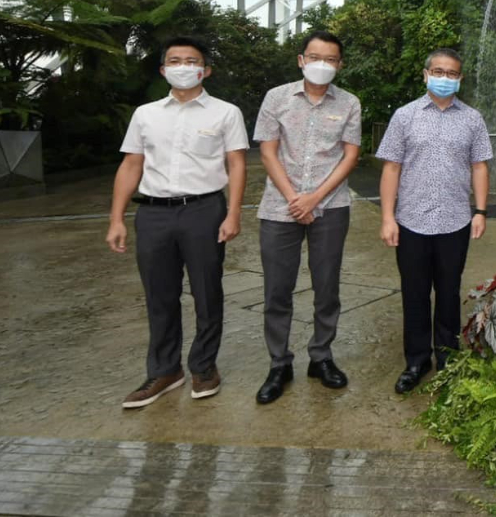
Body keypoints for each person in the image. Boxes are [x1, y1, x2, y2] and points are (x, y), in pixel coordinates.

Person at [106, 36, 248, 409]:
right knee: (159, 294)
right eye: (175, 60)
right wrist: (116, 218)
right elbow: (131, 164)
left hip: (203, 210)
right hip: (153, 213)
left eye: (192, 61)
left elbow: (236, 164)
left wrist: (233, 213)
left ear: (206, 70)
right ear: (163, 69)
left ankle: (203, 367)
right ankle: (165, 370)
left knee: (206, 290)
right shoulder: (146, 114)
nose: (183, 67)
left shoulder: (225, 112)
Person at [253, 30, 362, 405]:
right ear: (301, 60)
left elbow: (349, 156)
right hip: (278, 208)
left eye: (330, 59)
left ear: (339, 65)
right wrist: (293, 198)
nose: (322, 64)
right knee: (277, 290)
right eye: (314, 57)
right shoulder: (276, 98)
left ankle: (322, 356)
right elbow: (267, 152)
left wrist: (314, 197)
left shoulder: (349, 103)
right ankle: (279, 363)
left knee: (327, 287)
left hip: (330, 208)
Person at [377, 48, 492, 394]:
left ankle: (447, 357)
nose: (445, 78)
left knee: (448, 292)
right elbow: (391, 167)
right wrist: (387, 217)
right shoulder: (404, 116)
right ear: (425, 74)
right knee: (414, 293)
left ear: (460, 79)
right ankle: (416, 361)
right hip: (410, 220)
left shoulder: (472, 119)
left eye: (452, 73)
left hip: (455, 221)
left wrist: (481, 211)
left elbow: (480, 166)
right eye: (438, 71)